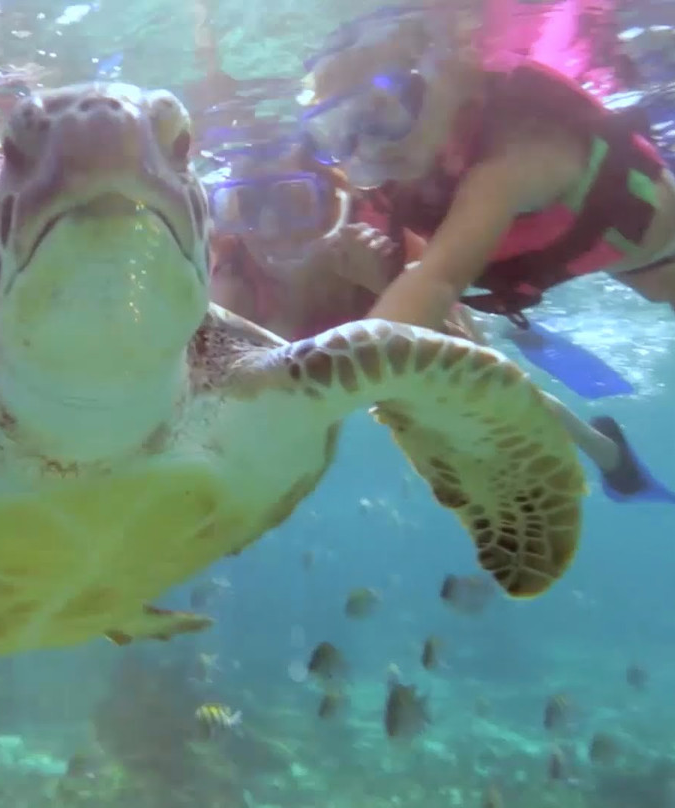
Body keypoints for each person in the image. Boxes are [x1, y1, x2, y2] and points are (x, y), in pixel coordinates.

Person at [299, 4, 675, 504]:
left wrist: (323, 397)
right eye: (338, 128)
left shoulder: (518, 156)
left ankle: (613, 459)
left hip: (660, 250)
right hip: (572, 254)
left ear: (453, 69)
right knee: (460, 357)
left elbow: (437, 280)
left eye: (383, 109)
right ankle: (613, 460)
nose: (365, 144)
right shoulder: (411, 155)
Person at [204, 138, 482, 341]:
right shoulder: (233, 281)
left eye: (294, 200)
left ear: (335, 203)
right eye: (246, 207)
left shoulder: (393, 254)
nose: (269, 227)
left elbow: (481, 373)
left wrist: (388, 285)